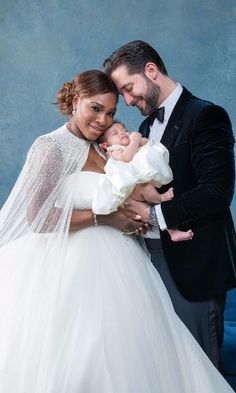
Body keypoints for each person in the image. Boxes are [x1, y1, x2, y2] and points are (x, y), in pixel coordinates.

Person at [0, 69, 234, 393]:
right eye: (95, 108)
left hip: (122, 263)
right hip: (69, 267)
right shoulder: (50, 147)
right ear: (75, 100)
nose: (102, 119)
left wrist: (138, 215)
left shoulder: (103, 146)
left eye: (110, 112)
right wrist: (106, 219)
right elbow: (38, 217)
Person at [103, 40, 236, 370]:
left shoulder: (206, 115)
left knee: (201, 368)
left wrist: (153, 213)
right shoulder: (147, 126)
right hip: (151, 264)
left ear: (151, 70)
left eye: (129, 89)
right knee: (168, 366)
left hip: (194, 265)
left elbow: (217, 191)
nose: (129, 101)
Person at [93, 120, 194, 242]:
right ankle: (160, 197)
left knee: (160, 210)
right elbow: (126, 157)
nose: (122, 133)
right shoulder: (114, 150)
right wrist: (135, 141)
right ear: (105, 145)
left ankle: (173, 232)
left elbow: (150, 144)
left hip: (141, 187)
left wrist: (141, 140)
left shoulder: (134, 144)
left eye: (124, 130)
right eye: (115, 133)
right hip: (132, 190)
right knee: (148, 189)